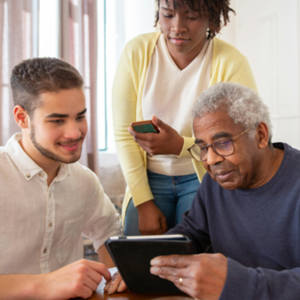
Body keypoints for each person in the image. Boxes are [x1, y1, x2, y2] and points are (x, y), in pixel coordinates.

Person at [112, 0, 258, 236]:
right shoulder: (136, 53)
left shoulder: (232, 62)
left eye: (191, 16)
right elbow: (123, 134)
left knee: (195, 262)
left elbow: (244, 137)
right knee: (138, 265)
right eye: (168, 15)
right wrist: (143, 203)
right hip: (147, 178)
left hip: (203, 177)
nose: (177, 27)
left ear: (211, 17)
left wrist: (182, 146)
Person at [146, 82, 300, 299]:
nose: (211, 159)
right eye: (203, 148)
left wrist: (239, 284)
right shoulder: (218, 180)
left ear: (261, 135)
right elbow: (191, 234)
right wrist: (144, 265)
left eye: (224, 143)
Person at [0, 57, 122, 300]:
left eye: (80, 116)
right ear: (22, 118)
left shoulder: (84, 181)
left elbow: (110, 236)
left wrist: (118, 276)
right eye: (57, 120)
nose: (75, 132)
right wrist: (45, 285)